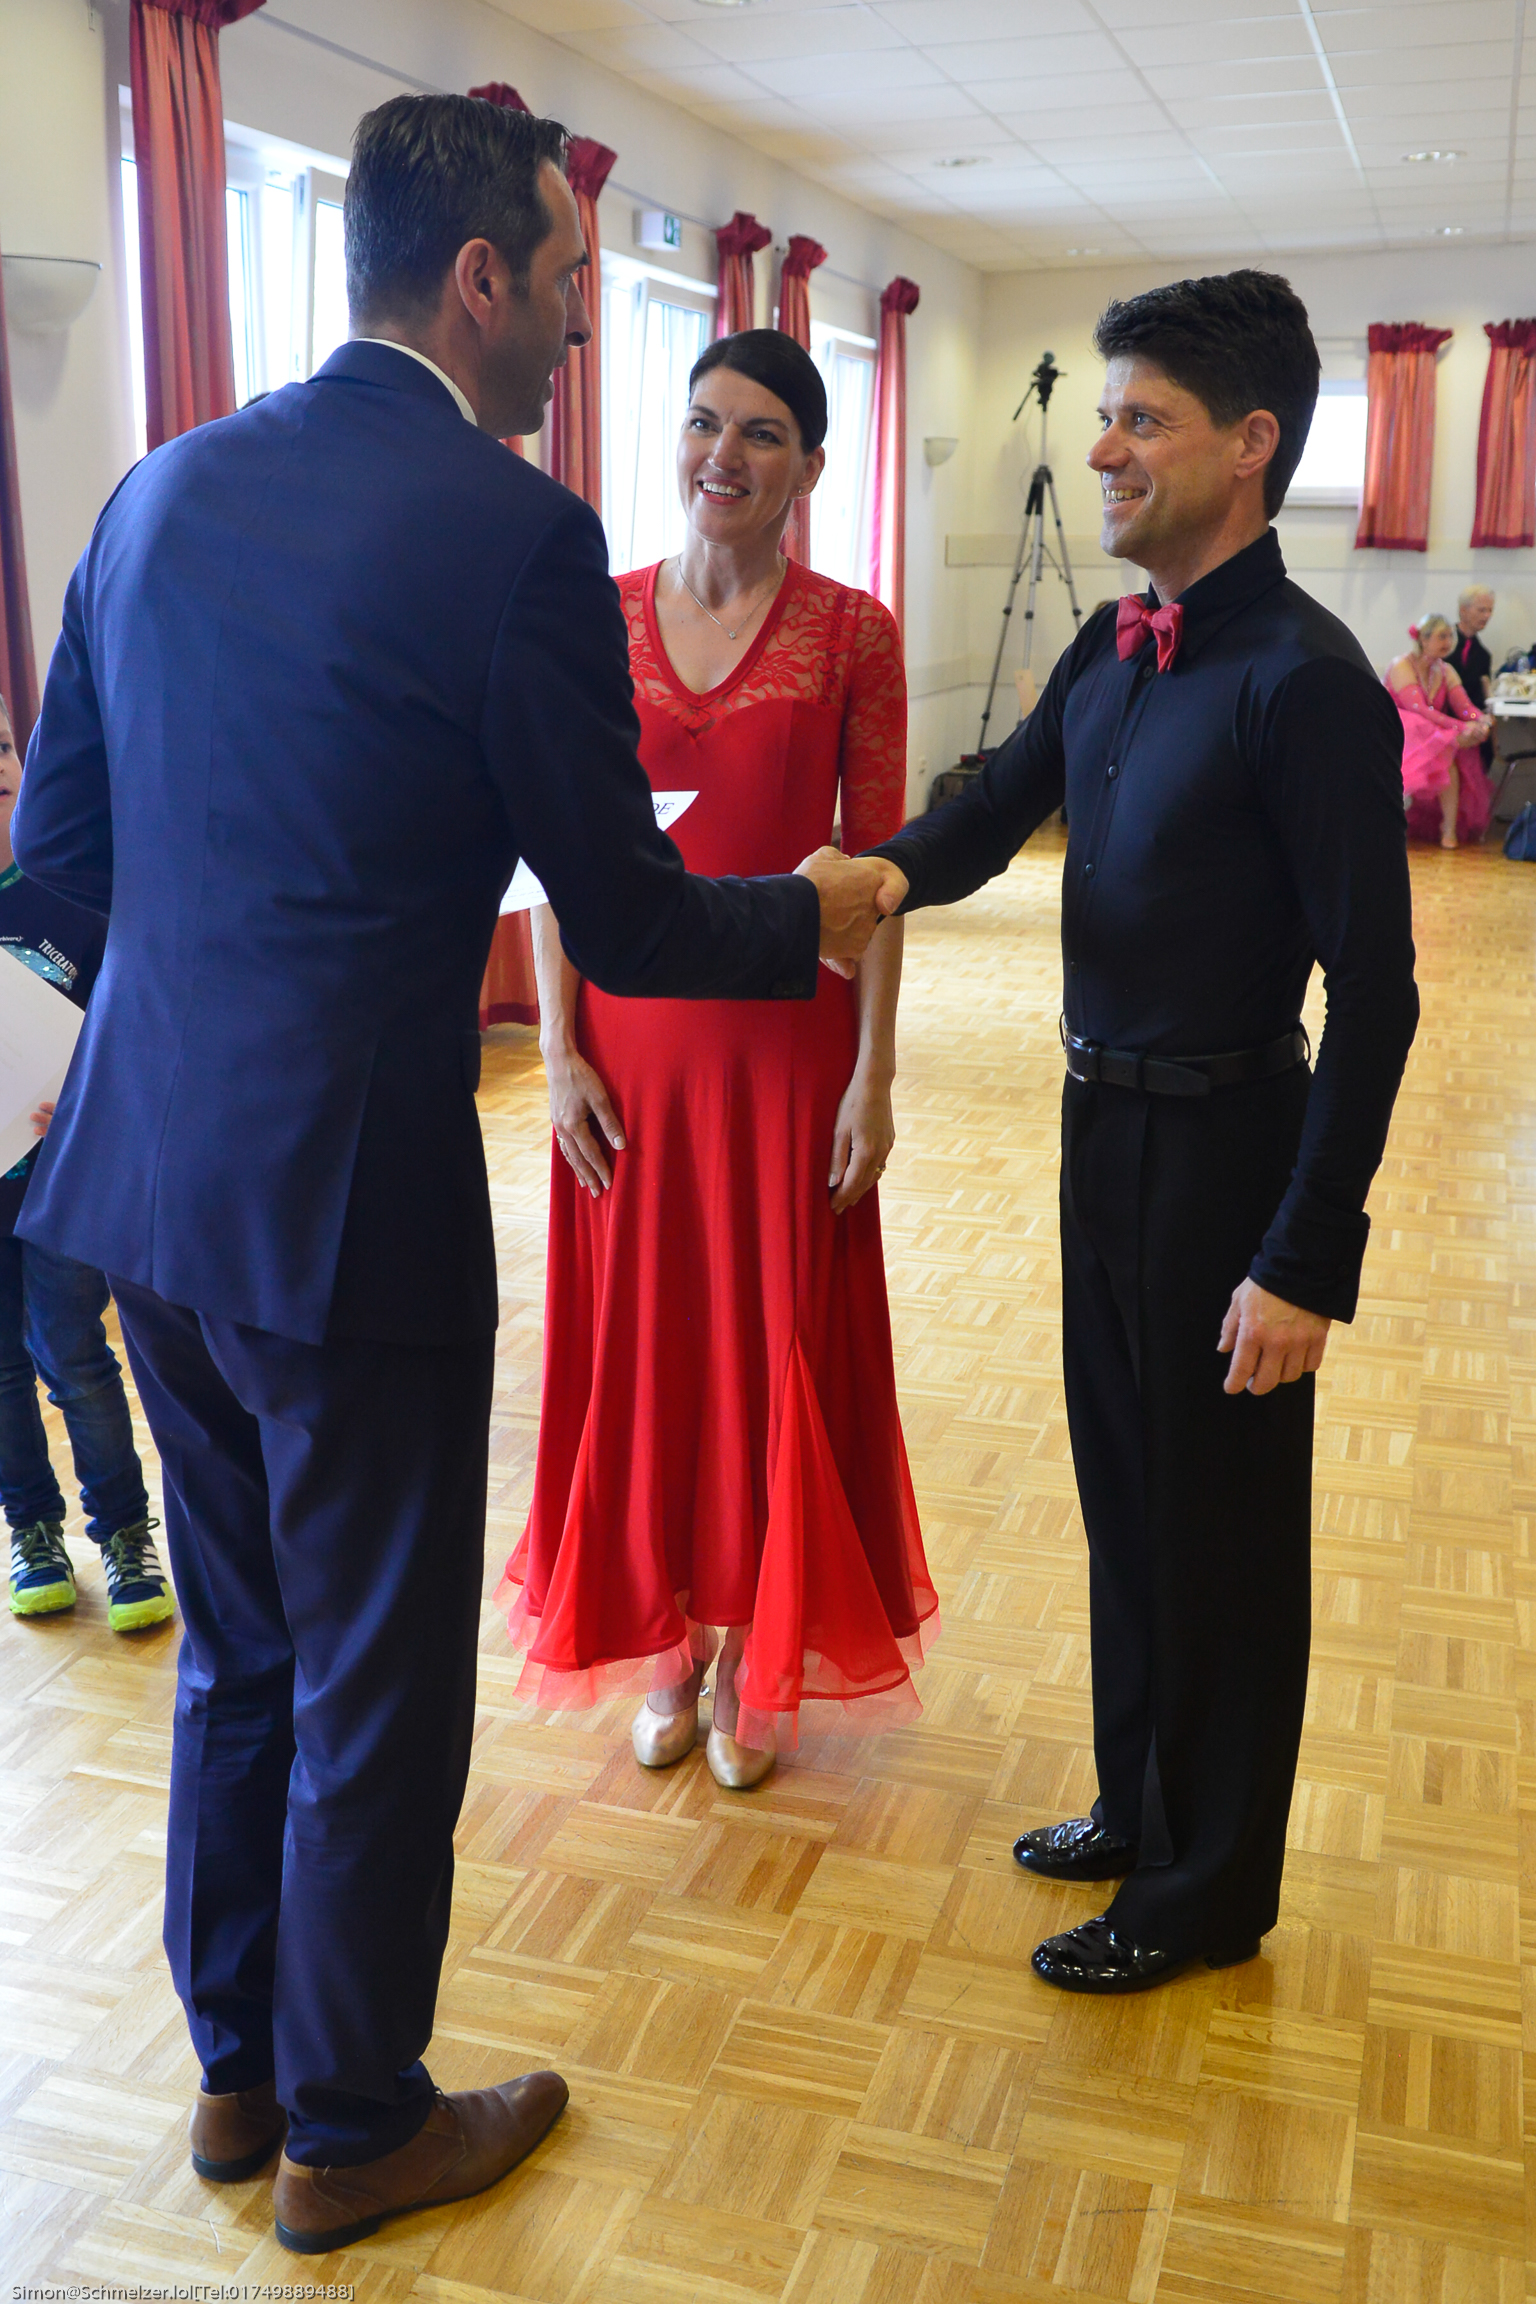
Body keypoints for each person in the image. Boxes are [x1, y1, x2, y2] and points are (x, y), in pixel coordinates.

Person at [12, 96, 893, 2256]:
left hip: (137, 1192)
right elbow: (637, 914)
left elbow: (55, 865)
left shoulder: (156, 486)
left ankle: (236, 2073)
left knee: (238, 1650)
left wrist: (207, 1022)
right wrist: (820, 906)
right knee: (373, 1680)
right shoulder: (514, 536)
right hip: (347, 1216)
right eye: (573, 283)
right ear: (481, 277)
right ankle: (355, 2124)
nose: (585, 329)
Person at [858, 270, 1419, 1993]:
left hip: (1231, 1153)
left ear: (1248, 445)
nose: (1100, 449)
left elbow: (1377, 996)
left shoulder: (1307, 683)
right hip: (1097, 1129)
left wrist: (1303, 1258)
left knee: (1223, 1538)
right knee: (1130, 1498)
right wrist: (853, 885)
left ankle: (1208, 1892)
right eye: (1103, 414)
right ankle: (1140, 1802)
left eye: (1139, 419)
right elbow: (983, 817)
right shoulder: (1113, 644)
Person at [501, 332, 936, 1789]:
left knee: (771, 1343)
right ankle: (665, 1638)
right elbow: (558, 853)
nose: (723, 456)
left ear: (809, 467)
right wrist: (559, 1046)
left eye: (760, 433)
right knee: (647, 1346)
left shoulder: (854, 634)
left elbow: (877, 877)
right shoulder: (595, 614)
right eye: (702, 423)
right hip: (628, 1052)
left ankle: (757, 1638)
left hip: (783, 1053)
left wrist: (874, 1075)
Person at [0, 693, 168, 1631]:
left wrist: (84, 1095)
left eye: (1, 746)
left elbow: (127, 1020)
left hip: (63, 1182)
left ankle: (125, 1530)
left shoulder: (68, 893)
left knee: (76, 1357)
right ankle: (31, 1530)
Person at [1385, 614, 1494, 848]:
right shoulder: (1402, 665)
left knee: (1449, 748)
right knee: (1445, 742)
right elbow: (1419, 710)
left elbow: (1464, 707)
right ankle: (1445, 828)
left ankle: (1449, 828)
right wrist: (1462, 727)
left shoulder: (1445, 670)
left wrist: (1482, 720)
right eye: (1442, 636)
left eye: (1450, 636)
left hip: (1428, 732)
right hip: (1396, 731)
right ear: (1423, 639)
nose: (1448, 642)